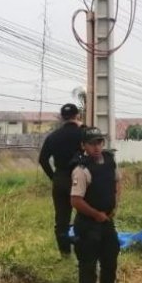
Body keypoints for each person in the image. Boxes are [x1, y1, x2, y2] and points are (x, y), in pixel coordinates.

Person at [69, 127, 132, 283]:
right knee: (88, 269)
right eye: (92, 143)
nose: (96, 147)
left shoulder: (110, 161)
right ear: (84, 146)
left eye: (99, 142)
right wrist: (96, 214)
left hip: (107, 222)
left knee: (110, 263)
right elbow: (76, 200)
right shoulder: (81, 169)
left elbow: (117, 183)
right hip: (88, 225)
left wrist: (114, 206)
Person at [38, 103, 84, 257]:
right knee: (85, 214)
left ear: (62, 117)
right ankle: (83, 250)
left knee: (62, 219)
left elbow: (43, 159)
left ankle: (65, 253)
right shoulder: (84, 133)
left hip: (60, 179)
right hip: (81, 178)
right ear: (77, 115)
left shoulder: (53, 136)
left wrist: (54, 177)